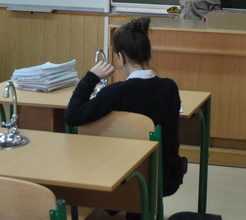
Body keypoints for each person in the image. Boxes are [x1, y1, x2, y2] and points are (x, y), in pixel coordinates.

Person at [66, 17, 187, 218]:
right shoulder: (170, 88)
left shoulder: (115, 93)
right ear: (147, 53)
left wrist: (91, 77)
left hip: (120, 180)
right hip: (161, 177)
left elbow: (72, 116)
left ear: (120, 58)